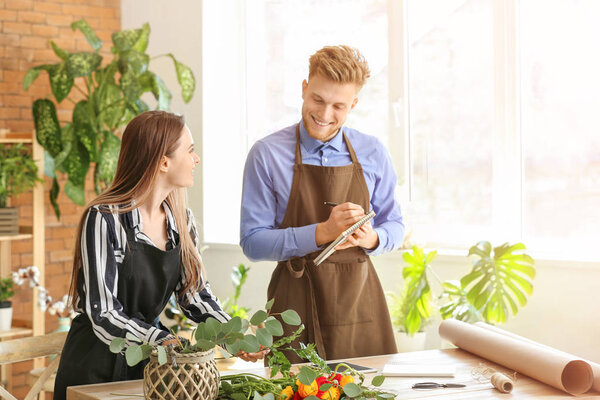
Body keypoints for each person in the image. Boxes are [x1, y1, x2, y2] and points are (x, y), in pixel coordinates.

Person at [54, 111, 264, 399]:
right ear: (163, 161)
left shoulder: (182, 220)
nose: (196, 159)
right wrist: (163, 340)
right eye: (190, 151)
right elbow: (103, 313)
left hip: (152, 364)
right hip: (94, 366)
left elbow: (194, 295)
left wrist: (232, 336)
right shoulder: (105, 219)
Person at [240, 45, 404, 362]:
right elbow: (253, 242)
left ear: (353, 104)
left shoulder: (373, 152)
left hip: (359, 305)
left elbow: (395, 224)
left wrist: (373, 238)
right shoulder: (267, 154)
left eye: (338, 106)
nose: (325, 114)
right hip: (293, 305)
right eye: (317, 99)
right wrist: (322, 232)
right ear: (304, 89)